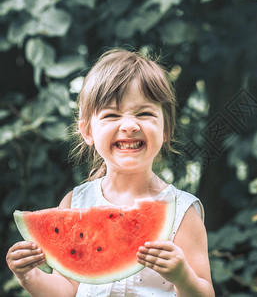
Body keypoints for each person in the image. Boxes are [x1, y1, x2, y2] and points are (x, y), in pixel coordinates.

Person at [6, 48, 215, 297]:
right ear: (87, 132)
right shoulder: (75, 202)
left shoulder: (181, 210)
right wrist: (29, 275)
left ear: (166, 128)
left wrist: (183, 276)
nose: (129, 125)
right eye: (111, 115)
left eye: (145, 113)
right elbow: (66, 290)